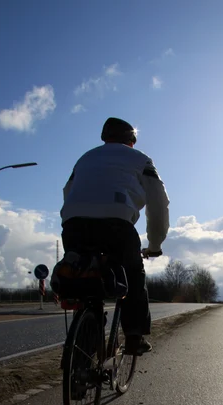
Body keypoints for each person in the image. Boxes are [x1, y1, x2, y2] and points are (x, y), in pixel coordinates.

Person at [60, 117, 170, 355]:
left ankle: (87, 334)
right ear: (131, 141)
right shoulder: (141, 159)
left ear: (105, 138)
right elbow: (159, 204)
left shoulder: (84, 159)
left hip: (73, 224)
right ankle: (134, 336)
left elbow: (68, 191)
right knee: (132, 276)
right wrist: (154, 244)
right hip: (116, 225)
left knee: (84, 274)